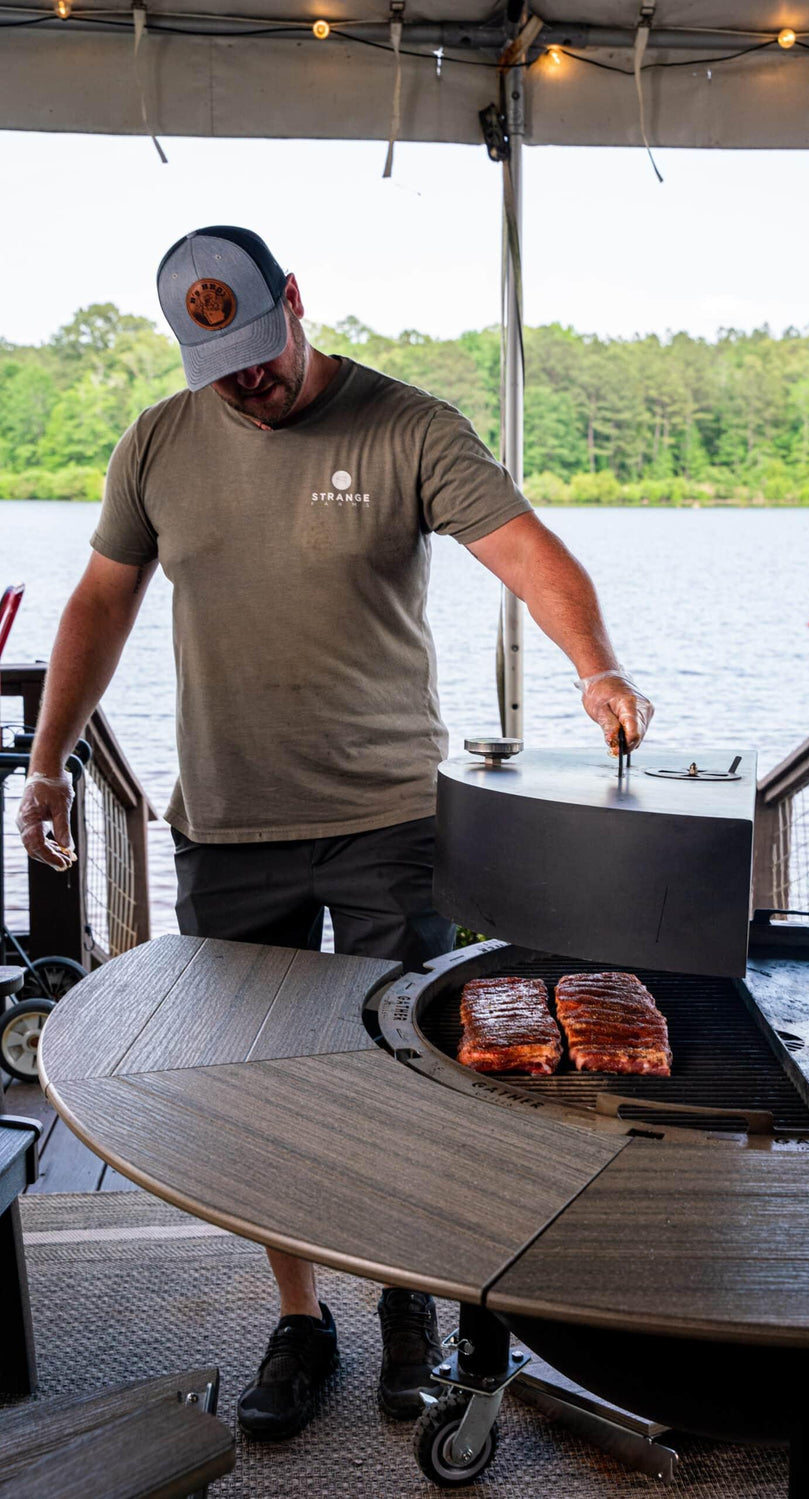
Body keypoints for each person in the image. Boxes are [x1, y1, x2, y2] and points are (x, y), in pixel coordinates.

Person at [17, 225, 654, 1442]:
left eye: (259, 352)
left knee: (402, 1076)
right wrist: (47, 761)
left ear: (295, 304)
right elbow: (102, 598)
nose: (245, 381)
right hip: (226, 822)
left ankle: (409, 1306)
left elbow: (527, 554)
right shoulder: (156, 439)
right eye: (219, 366)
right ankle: (302, 1316)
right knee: (255, 1094)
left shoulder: (408, 427)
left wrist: (596, 664)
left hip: (384, 819)